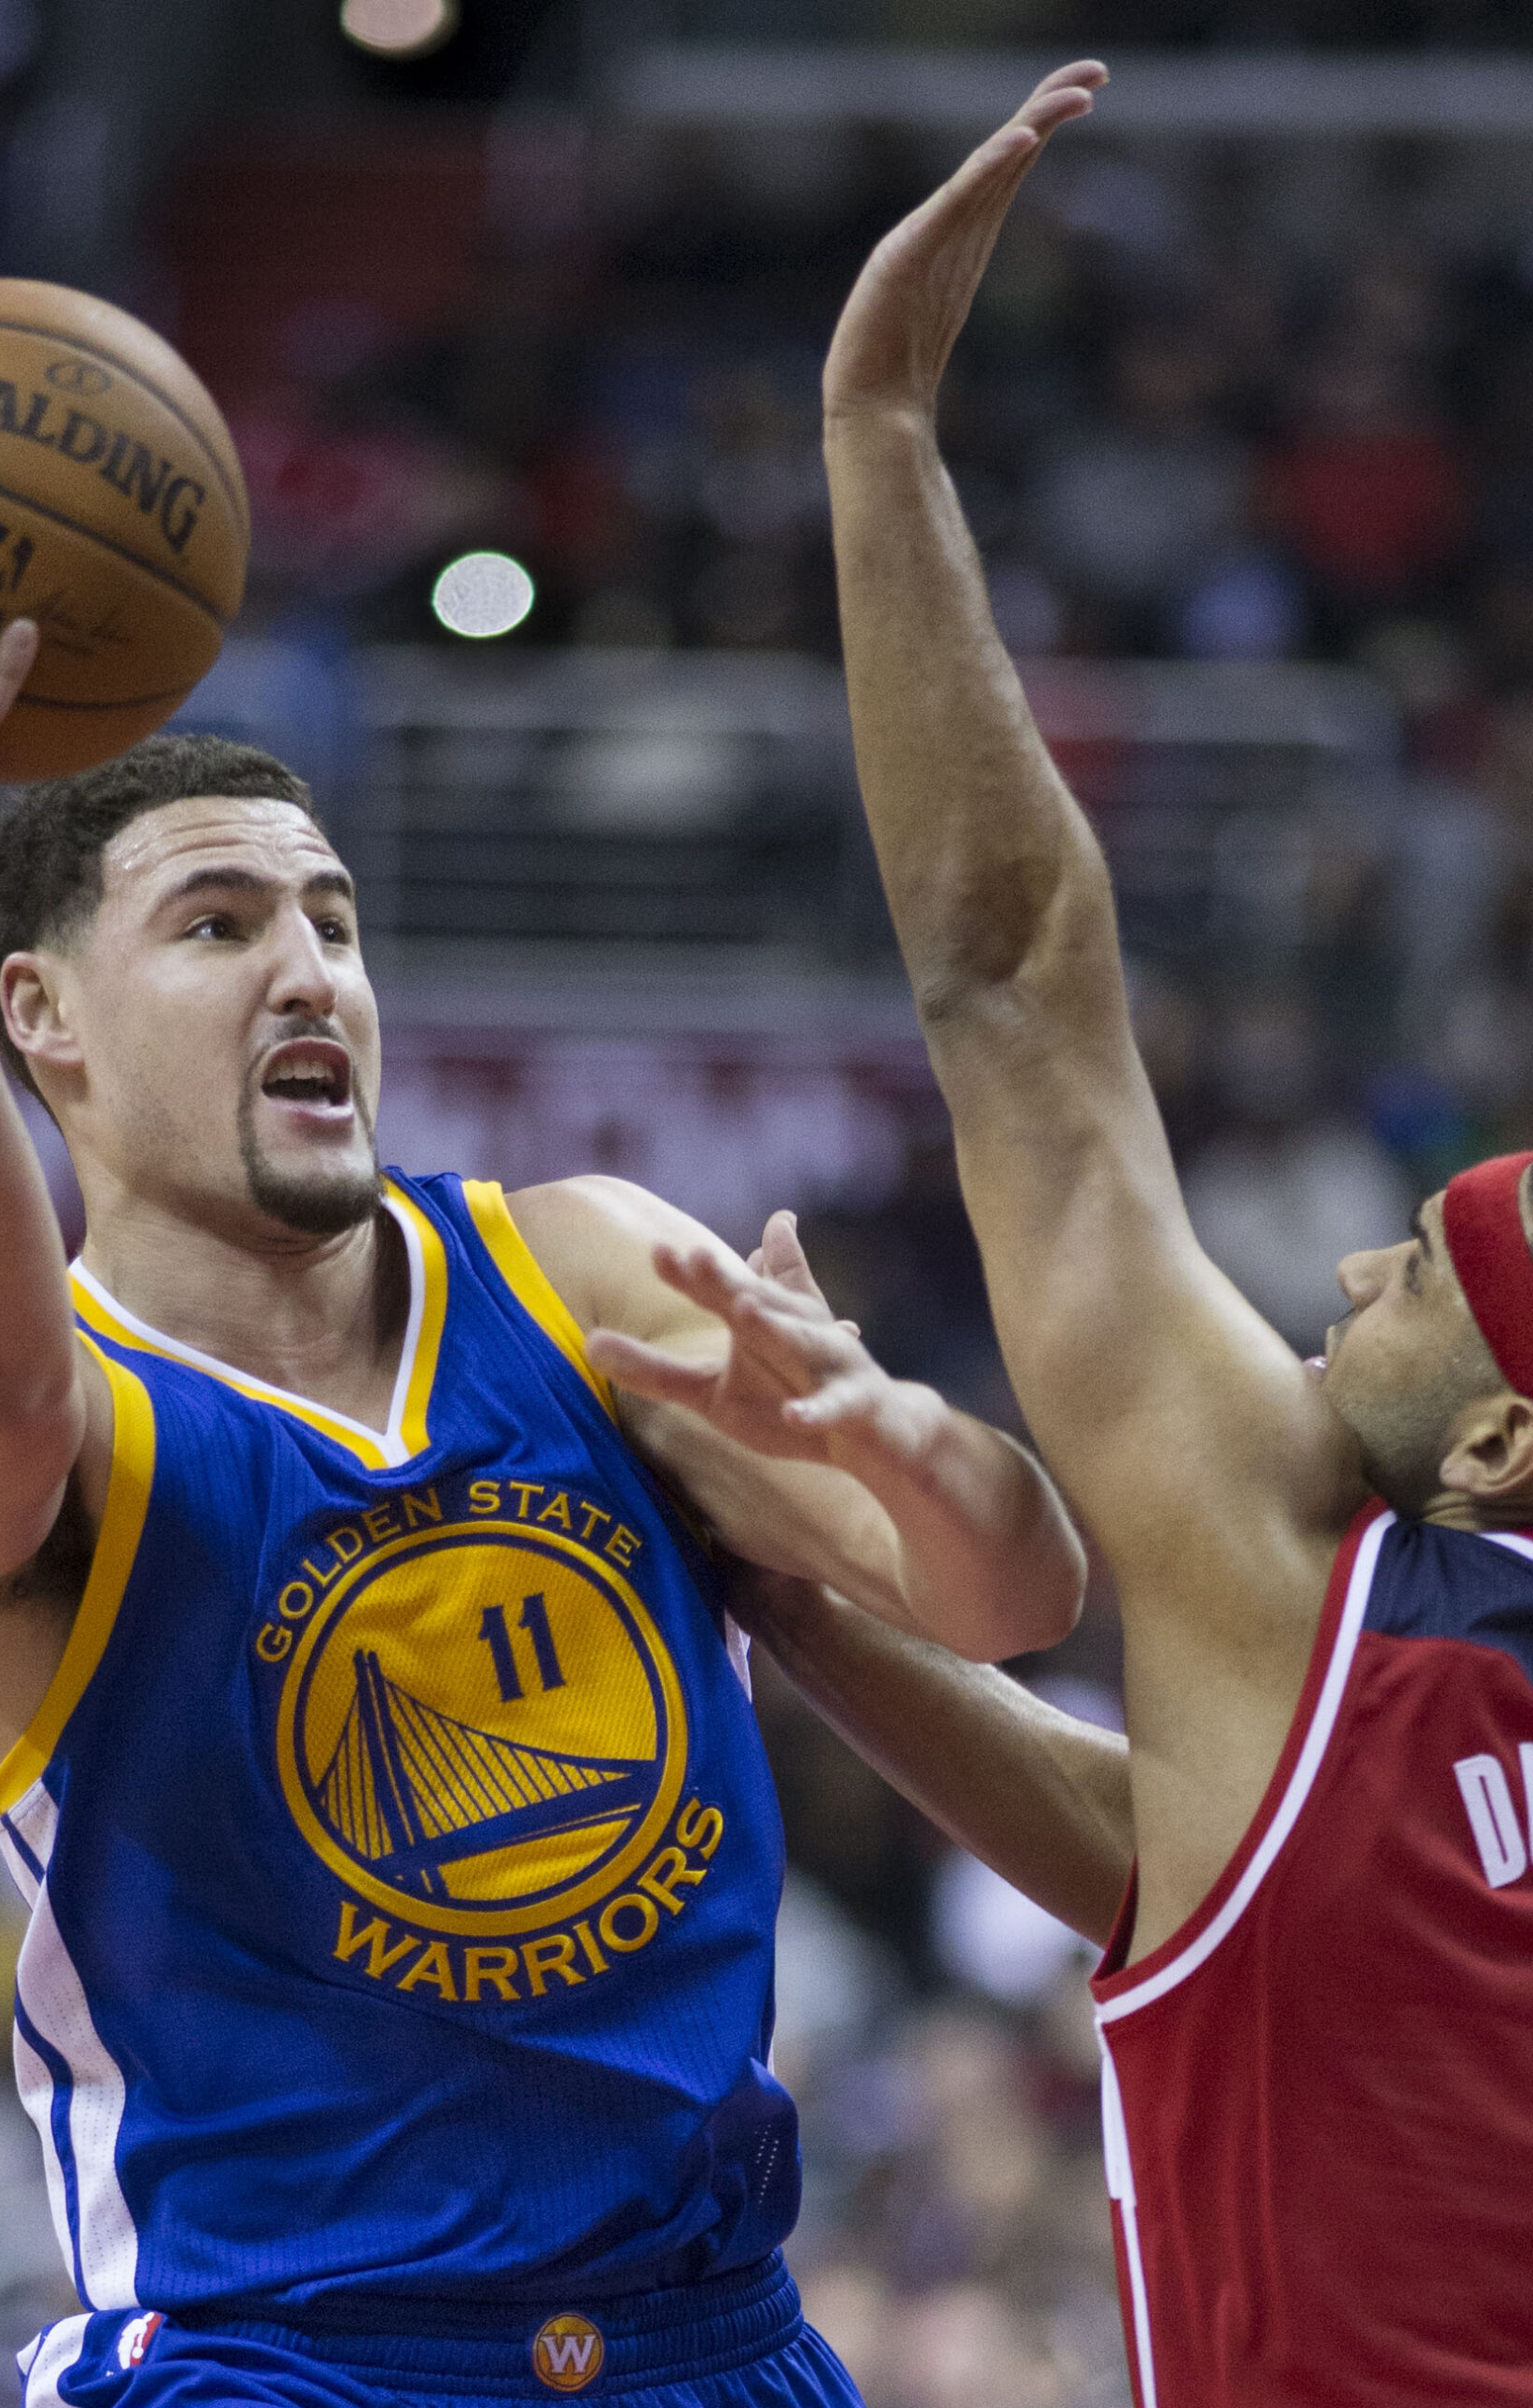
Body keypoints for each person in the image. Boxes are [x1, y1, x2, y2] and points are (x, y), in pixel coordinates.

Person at [0, 483, 1114, 2406]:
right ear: (34, 1016)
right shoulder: (3, 1428)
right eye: (215, 924)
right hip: (282, 2358)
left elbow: (1009, 1592)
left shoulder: (580, 1265)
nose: (309, 971)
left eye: (331, 919)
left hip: (711, 2339)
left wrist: (888, 1439)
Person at [593, 62, 1533, 2406]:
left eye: (1411, 1269)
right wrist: (776, 1588)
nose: (1341, 1275)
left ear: (1502, 1446)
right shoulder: (1308, 1696)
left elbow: (1011, 987)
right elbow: (1185, 1853)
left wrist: (881, 438)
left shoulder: (1319, 1592)